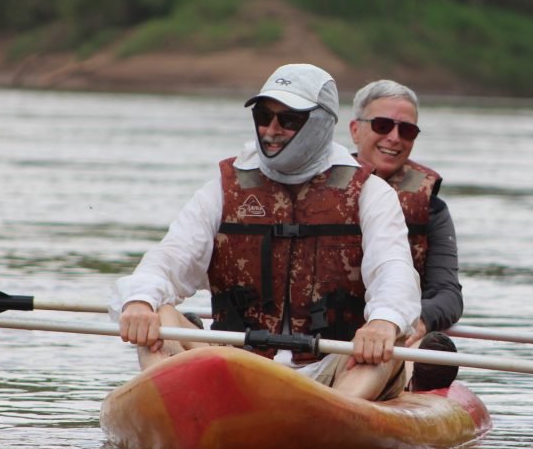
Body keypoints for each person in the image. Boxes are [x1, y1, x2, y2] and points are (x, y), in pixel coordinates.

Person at [112, 64, 421, 401]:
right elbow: (170, 257)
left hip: (334, 365)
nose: (272, 130)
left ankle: (336, 416)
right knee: (161, 315)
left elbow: (394, 270)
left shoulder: (369, 192)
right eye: (264, 116)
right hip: (237, 362)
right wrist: (140, 302)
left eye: (289, 120)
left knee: (390, 345)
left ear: (320, 124)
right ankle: (175, 411)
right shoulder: (224, 187)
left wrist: (383, 323)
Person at [349, 79, 463, 389]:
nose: (394, 138)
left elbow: (449, 295)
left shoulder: (432, 209)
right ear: (355, 129)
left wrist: (416, 320)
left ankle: (408, 379)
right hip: (331, 330)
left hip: (397, 333)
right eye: (383, 125)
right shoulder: (317, 192)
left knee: (415, 343)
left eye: (407, 130)